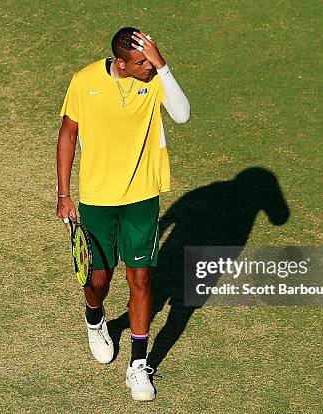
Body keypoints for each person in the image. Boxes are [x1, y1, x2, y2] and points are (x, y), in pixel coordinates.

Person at [56, 27, 190, 401]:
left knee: (141, 279)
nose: (148, 66)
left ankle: (138, 365)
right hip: (98, 198)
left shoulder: (156, 78)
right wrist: (64, 193)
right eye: (142, 62)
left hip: (142, 196)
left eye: (151, 59)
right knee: (98, 278)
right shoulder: (84, 82)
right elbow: (67, 134)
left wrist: (162, 65)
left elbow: (182, 114)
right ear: (121, 63)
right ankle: (95, 318)